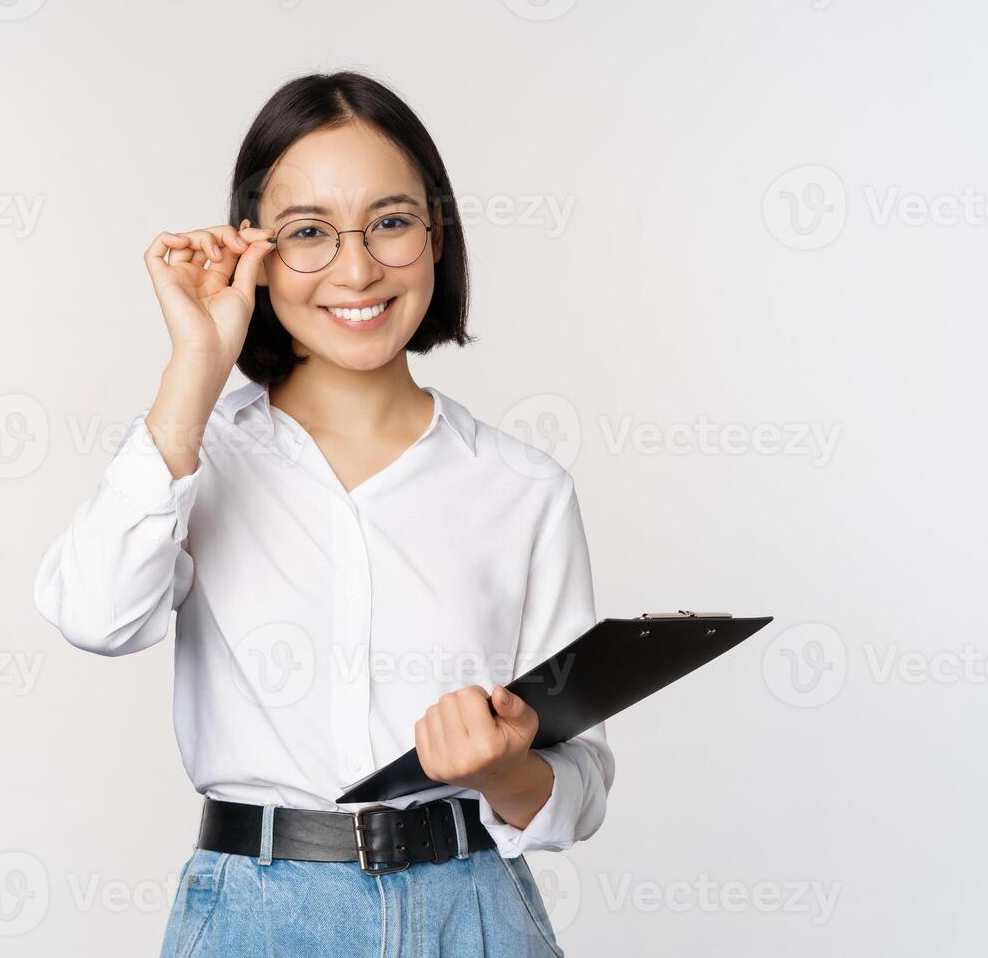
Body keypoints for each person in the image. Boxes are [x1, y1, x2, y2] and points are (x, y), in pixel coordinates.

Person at [34, 70, 613, 957]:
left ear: (437, 234)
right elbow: (95, 616)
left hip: (476, 913)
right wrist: (197, 362)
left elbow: (580, 786)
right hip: (257, 917)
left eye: (391, 222)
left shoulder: (522, 487)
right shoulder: (193, 451)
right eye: (308, 233)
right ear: (254, 251)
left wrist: (505, 767)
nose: (356, 269)